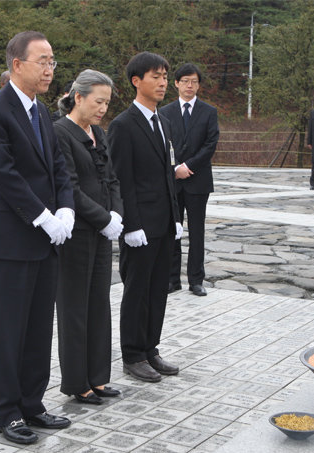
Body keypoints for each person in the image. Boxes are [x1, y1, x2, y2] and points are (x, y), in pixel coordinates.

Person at [0, 31, 74, 445]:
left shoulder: (42, 111)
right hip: (9, 242)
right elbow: (4, 174)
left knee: (36, 330)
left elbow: (59, 166)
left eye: (52, 61)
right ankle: (8, 412)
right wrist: (43, 217)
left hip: (44, 242)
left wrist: (65, 207)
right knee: (7, 331)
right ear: (18, 64)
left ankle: (33, 403)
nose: (50, 68)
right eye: (43, 61)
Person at [108, 51, 182, 383]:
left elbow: (167, 174)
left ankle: (151, 348)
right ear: (137, 81)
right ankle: (133, 354)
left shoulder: (163, 121)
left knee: (157, 290)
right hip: (139, 226)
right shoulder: (123, 125)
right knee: (137, 290)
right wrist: (131, 225)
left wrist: (176, 217)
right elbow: (121, 179)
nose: (163, 81)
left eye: (165, 75)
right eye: (156, 76)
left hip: (163, 222)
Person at [54, 69, 124, 404]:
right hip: (77, 234)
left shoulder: (99, 132)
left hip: (102, 232)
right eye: (98, 101)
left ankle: (98, 377)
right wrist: (101, 219)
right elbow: (69, 186)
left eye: (107, 103)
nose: (103, 109)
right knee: (74, 309)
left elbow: (112, 179)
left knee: (99, 304)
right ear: (78, 96)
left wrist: (117, 214)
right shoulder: (60, 132)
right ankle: (76, 381)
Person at [160, 63, 219, 297]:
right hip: (173, 180)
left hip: (197, 179)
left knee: (197, 232)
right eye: (185, 81)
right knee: (172, 230)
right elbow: (163, 145)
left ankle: (196, 279)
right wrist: (175, 168)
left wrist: (188, 166)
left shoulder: (208, 112)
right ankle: (172, 279)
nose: (189, 85)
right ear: (176, 83)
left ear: (199, 85)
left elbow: (210, 144)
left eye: (194, 81)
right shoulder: (165, 112)